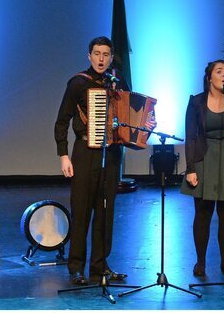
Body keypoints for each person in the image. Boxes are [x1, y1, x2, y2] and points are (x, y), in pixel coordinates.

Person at [54, 36, 155, 286]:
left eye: (105, 54)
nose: (101, 59)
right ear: (89, 55)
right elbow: (61, 121)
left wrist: (146, 125)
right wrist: (63, 155)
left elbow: (132, 113)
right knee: (82, 211)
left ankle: (100, 266)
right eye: (97, 54)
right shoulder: (78, 83)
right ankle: (76, 267)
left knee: (105, 212)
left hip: (111, 154)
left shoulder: (117, 82)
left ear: (111, 57)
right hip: (85, 152)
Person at [180, 60, 224, 278]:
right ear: (209, 77)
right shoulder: (196, 102)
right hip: (204, 159)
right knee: (203, 213)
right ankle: (200, 262)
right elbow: (191, 136)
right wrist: (190, 168)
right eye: (219, 72)